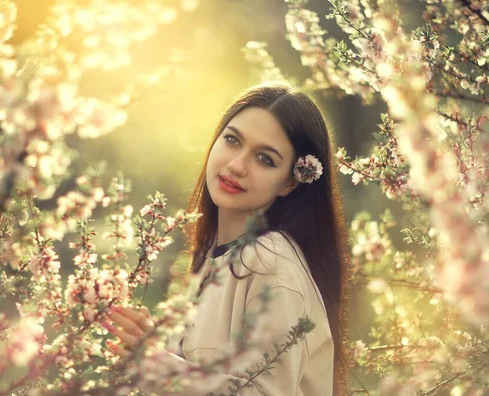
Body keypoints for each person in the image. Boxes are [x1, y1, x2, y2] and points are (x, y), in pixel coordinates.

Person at [102, 82, 349, 395]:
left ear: (290, 182)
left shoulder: (270, 262)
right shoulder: (214, 256)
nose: (236, 165)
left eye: (265, 159)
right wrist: (157, 349)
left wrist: (157, 365)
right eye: (232, 140)